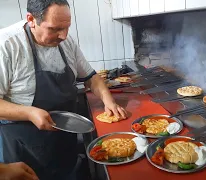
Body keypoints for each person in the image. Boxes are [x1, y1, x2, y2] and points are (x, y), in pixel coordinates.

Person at [0, 0, 127, 179]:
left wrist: (109, 101)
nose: (64, 36)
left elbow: (91, 77)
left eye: (67, 27)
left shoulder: (65, 42)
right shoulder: (7, 45)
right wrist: (28, 113)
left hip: (63, 138)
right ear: (31, 19)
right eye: (54, 29)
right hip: (24, 145)